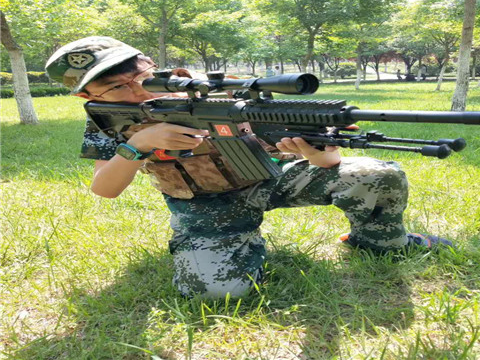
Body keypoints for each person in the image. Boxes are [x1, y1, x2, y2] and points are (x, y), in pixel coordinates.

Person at [46, 36, 452, 299]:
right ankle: (235, 246)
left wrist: (317, 154)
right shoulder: (106, 119)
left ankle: (380, 240)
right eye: (115, 87)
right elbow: (105, 188)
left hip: (274, 178)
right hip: (204, 206)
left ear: (150, 62)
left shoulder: (222, 90)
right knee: (217, 295)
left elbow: (329, 159)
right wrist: (138, 145)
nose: (134, 90)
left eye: (139, 76)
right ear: (86, 94)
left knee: (378, 173)